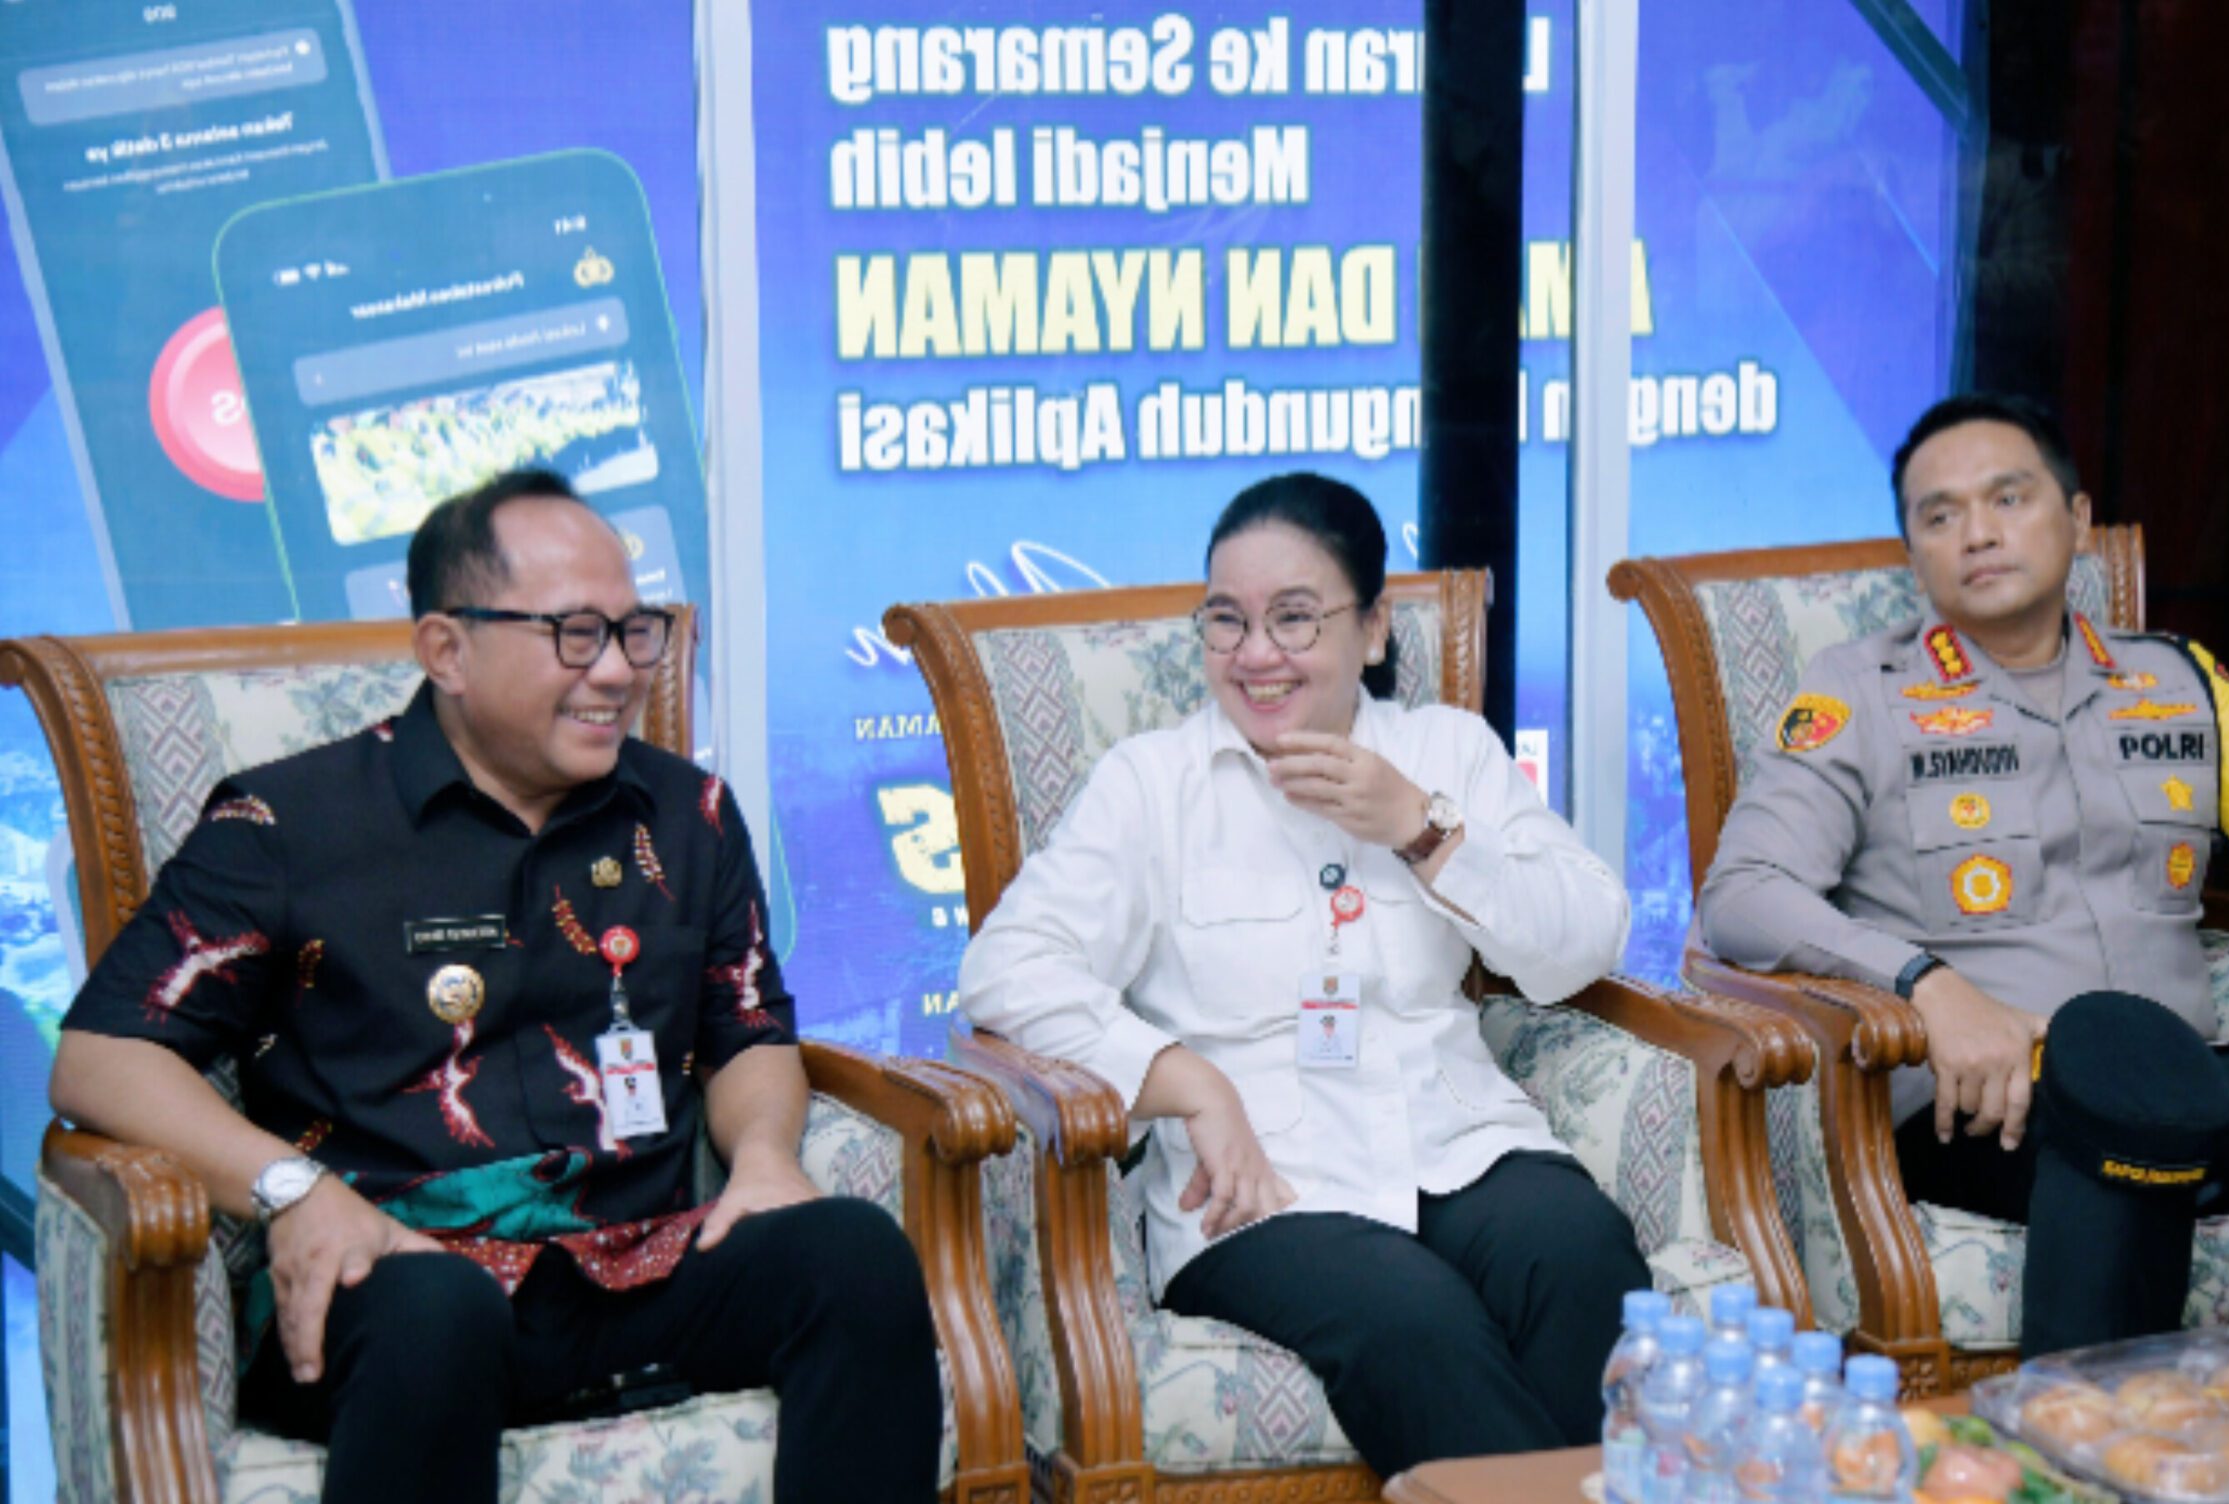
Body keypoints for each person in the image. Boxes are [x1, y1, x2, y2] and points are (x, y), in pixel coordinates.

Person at [48, 470, 939, 1504]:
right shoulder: (288, 826)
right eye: (575, 634)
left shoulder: (685, 817)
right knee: (439, 1312)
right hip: (398, 1279)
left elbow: (746, 1032)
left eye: (634, 630)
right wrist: (293, 1192)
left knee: (851, 1254)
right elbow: (101, 1055)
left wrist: (768, 1159)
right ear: (447, 650)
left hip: (637, 1261)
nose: (618, 670)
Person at [1691, 394, 2229, 1354]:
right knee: (2122, 1110)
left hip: (2194, 1086)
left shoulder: (2177, 682)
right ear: (1914, 556)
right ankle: (2077, 1438)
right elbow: (1744, 892)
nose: (1977, 533)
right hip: (1995, 1113)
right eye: (1941, 515)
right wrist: (1927, 985)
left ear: (2078, 520)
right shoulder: (1859, 694)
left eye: (2008, 498)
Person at [959, 472, 1653, 1476]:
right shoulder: (1153, 784)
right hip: (1262, 1188)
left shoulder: (1442, 751)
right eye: (1226, 621)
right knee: (1417, 1325)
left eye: (1293, 618)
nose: (1255, 654)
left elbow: (1588, 935)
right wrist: (1187, 1082)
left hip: (1456, 1139)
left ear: (1372, 628)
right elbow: (1005, 969)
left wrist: (1422, 829)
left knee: (1583, 1259)